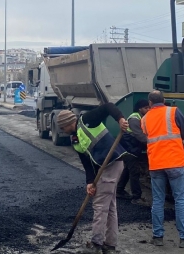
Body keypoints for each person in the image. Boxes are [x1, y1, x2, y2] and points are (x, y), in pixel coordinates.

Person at [56, 104, 128, 254]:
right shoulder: (75, 139)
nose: (62, 131)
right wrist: (90, 182)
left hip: (113, 162)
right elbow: (87, 163)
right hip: (103, 167)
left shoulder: (88, 120)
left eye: (62, 128)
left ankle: (96, 244)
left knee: (100, 205)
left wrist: (120, 119)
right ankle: (110, 245)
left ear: (68, 123)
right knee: (109, 206)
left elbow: (108, 107)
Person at [141, 90, 184, 248]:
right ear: (164, 100)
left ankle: (157, 236)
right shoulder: (173, 111)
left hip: (156, 164)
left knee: (158, 201)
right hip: (174, 162)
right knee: (180, 200)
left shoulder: (145, 118)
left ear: (149, 103)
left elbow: (151, 134)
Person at [116, 99, 150, 205]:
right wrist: (154, 142)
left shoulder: (139, 117)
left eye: (149, 107)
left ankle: (119, 190)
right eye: (146, 108)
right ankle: (136, 197)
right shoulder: (134, 119)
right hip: (130, 149)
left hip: (129, 148)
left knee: (127, 169)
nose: (148, 109)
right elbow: (140, 136)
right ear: (140, 109)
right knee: (134, 172)